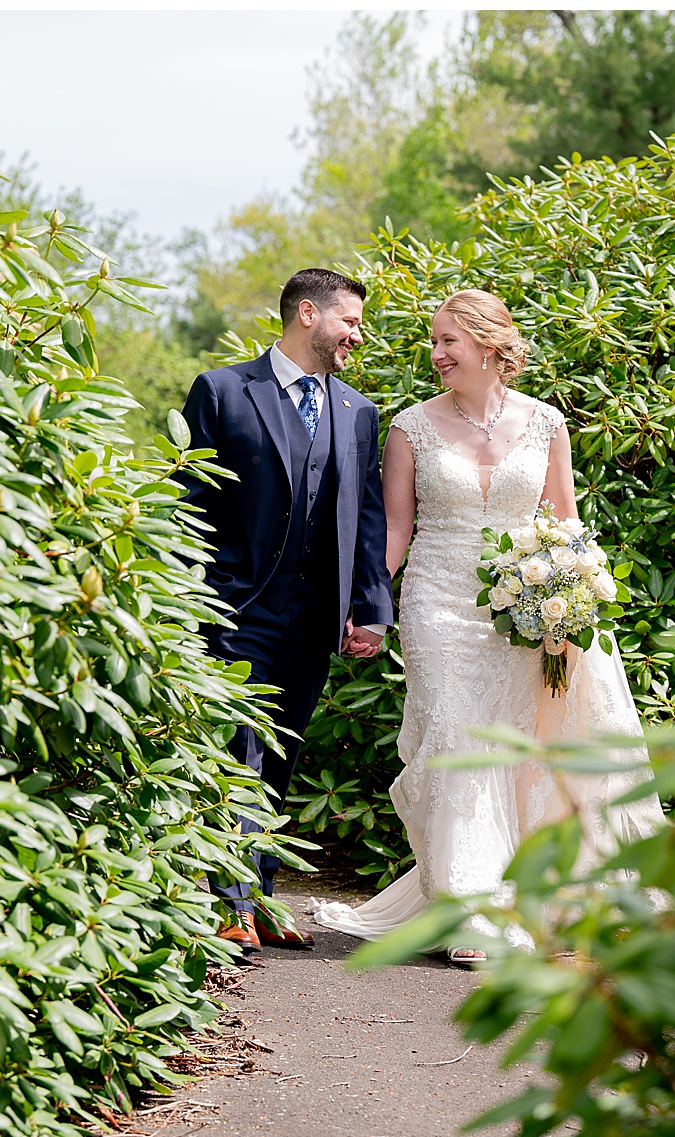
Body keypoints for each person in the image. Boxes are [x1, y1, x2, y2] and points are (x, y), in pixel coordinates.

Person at [309, 289, 663, 963]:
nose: (437, 354)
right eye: (435, 342)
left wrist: (570, 596)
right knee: (455, 740)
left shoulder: (546, 423)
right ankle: (473, 910)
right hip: (438, 600)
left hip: (527, 609)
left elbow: (564, 521)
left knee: (519, 750)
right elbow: (396, 529)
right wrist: (370, 607)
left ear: (490, 344)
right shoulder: (412, 427)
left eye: (449, 341)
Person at [179, 268, 397, 953]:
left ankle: (263, 898)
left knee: (281, 760)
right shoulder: (221, 390)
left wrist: (371, 608)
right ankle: (231, 902)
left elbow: (364, 519)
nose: (356, 337)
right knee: (237, 754)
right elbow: (190, 503)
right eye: (350, 322)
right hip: (236, 608)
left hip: (313, 618)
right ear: (309, 314)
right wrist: (194, 595)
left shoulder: (357, 412)